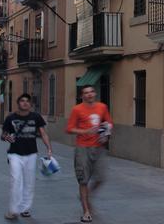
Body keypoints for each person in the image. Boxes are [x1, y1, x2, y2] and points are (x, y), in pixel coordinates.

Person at [1, 93, 52, 220]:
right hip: (14, 154)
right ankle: (13, 210)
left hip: (31, 154)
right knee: (15, 180)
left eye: (27, 101)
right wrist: (6, 137)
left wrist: (49, 148)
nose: (25, 103)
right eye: (22, 101)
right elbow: (3, 135)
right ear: (18, 103)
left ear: (30, 104)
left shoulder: (36, 117)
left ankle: (25, 208)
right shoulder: (10, 118)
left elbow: (43, 133)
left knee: (29, 182)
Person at [66, 85, 113, 223]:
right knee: (83, 180)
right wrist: (84, 132)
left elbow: (108, 123)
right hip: (83, 148)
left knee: (101, 178)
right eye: (86, 93)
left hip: (99, 148)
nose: (89, 94)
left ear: (95, 93)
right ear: (82, 96)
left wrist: (106, 135)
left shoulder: (102, 107)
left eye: (91, 91)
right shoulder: (77, 109)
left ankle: (86, 196)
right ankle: (86, 212)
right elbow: (69, 129)